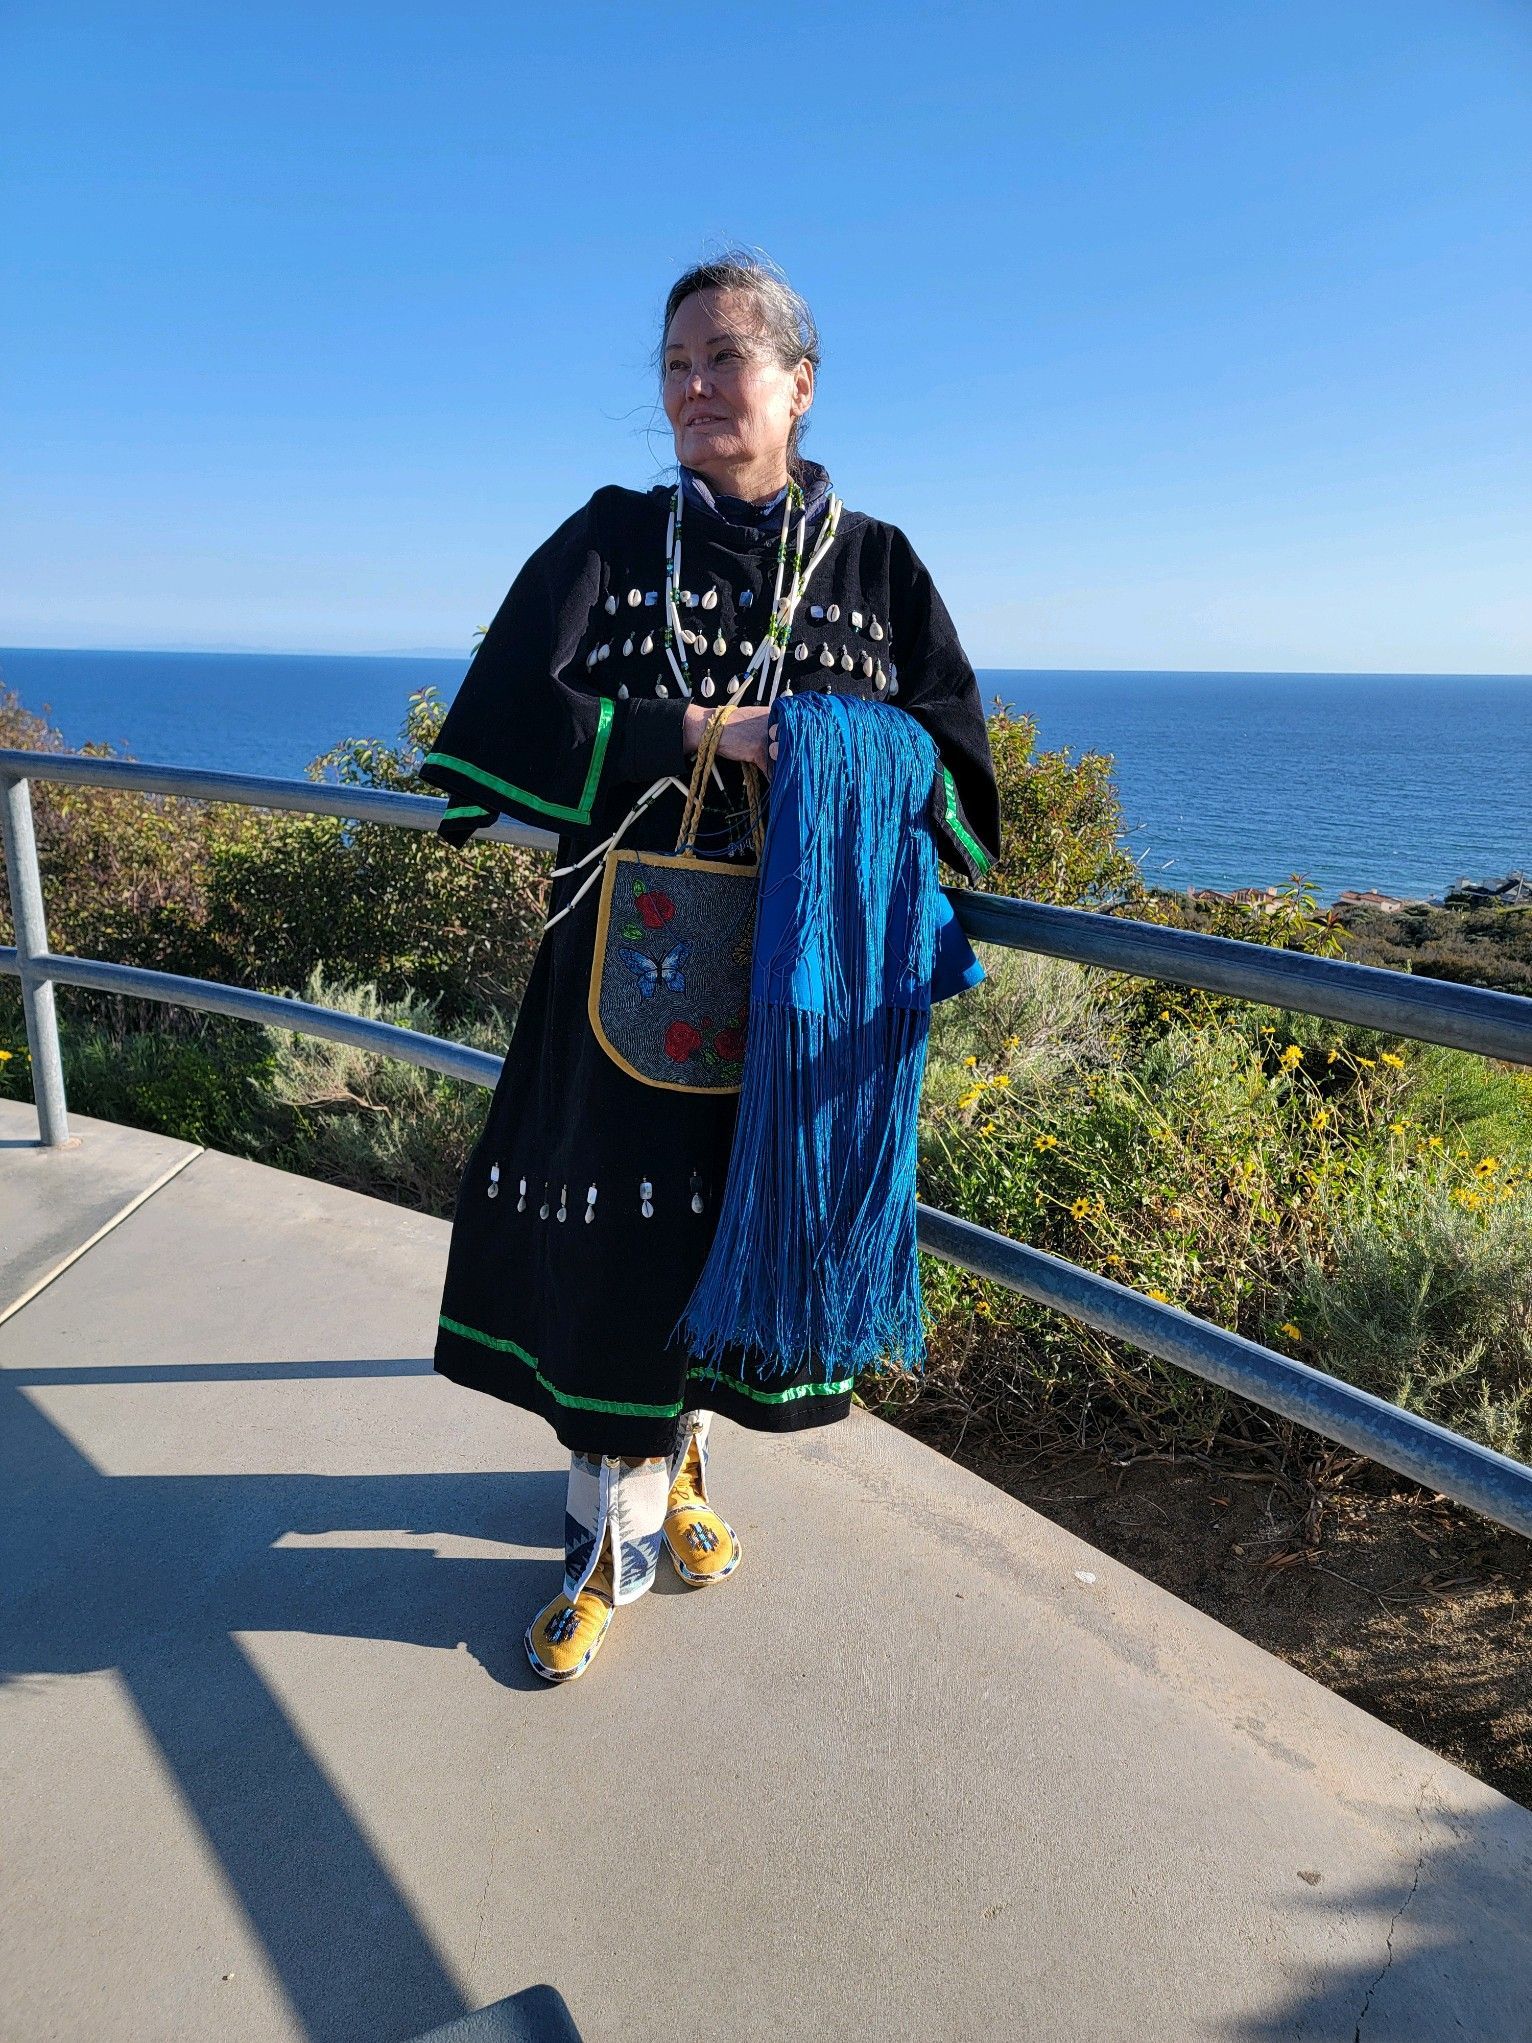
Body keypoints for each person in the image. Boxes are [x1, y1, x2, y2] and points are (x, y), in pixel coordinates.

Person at [419, 248, 1001, 1683]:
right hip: (628, 967)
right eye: (674, 364)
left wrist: (848, 760)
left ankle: (678, 1482)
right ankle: (595, 1554)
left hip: (798, 990)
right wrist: (698, 728)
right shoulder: (612, 541)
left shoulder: (878, 562)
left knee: (723, 1244)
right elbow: (499, 720)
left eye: (723, 358)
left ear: (799, 385)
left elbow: (957, 760)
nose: (691, 387)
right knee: (616, 1254)